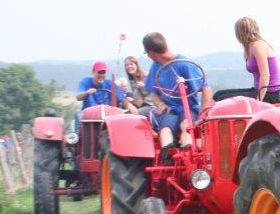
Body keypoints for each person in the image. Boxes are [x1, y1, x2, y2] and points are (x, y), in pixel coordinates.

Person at [142, 32, 214, 162]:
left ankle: (188, 152)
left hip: (188, 108)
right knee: (165, 129)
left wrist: (203, 114)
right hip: (169, 110)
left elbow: (206, 89)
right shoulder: (156, 66)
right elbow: (153, 93)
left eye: (147, 53)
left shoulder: (184, 64)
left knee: (186, 125)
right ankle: (167, 154)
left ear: (151, 53)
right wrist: (160, 105)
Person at [234, 17, 280, 102]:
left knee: (221, 97)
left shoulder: (258, 46)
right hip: (257, 90)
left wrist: (259, 100)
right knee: (219, 95)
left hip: (269, 93)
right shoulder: (250, 47)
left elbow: (265, 74)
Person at [74, 62, 134, 128]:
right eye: (99, 72)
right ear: (93, 72)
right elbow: (78, 97)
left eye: (103, 72)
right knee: (78, 116)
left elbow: (122, 98)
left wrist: (128, 107)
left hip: (107, 116)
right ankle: (78, 137)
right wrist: (87, 93)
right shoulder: (85, 82)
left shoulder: (110, 84)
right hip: (89, 115)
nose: (101, 75)